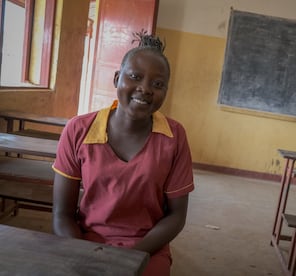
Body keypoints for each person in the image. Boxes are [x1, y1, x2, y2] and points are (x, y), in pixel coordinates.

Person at [52, 31, 194, 276]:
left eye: (157, 84)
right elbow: (61, 214)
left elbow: (177, 216)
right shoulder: (78, 129)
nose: (145, 88)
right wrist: (83, 255)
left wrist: (131, 257)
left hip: (148, 246)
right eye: (135, 76)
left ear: (166, 91)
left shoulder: (174, 137)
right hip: (85, 242)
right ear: (117, 78)